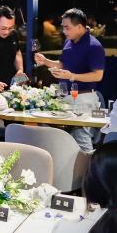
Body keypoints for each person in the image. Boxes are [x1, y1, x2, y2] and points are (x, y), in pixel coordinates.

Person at [34, 8, 106, 152]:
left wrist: (72, 76)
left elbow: (98, 75)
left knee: (81, 137)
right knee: (52, 134)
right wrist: (46, 61)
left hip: (83, 98)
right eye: (63, 27)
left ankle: (88, 166)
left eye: (67, 27)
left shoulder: (94, 46)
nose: (64, 31)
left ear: (79, 26)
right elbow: (62, 65)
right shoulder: (68, 42)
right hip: (64, 96)